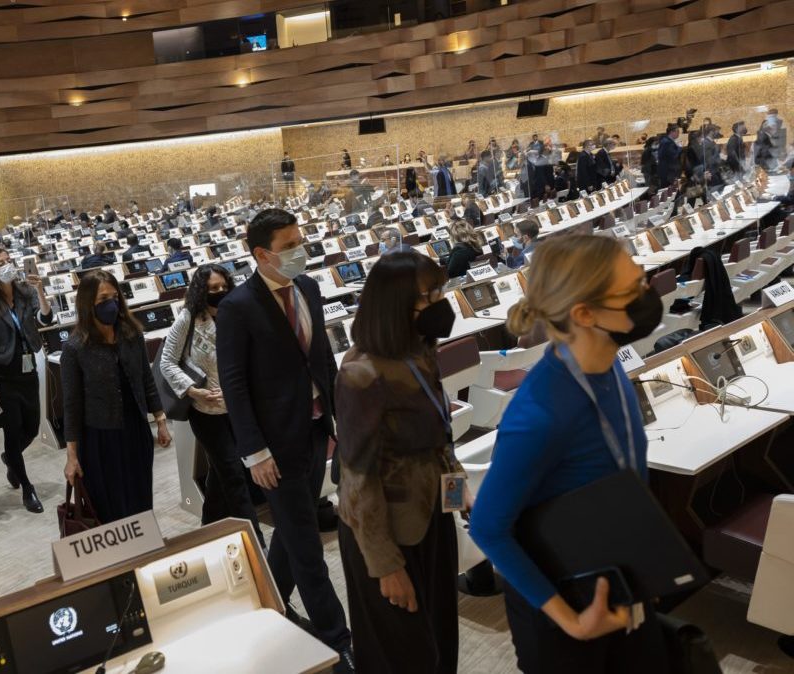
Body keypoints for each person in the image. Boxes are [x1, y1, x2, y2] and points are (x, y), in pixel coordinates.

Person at [469, 235, 667, 673]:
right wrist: (570, 621)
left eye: (643, 281)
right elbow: (487, 527)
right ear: (584, 314)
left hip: (619, 574)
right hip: (566, 605)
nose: (648, 295)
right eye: (633, 290)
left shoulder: (609, 361)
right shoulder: (539, 413)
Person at [216, 209, 354, 671]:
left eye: (301, 241)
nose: (301, 251)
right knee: (307, 544)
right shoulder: (238, 307)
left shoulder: (309, 288)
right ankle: (338, 639)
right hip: (274, 446)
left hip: (316, 431)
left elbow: (323, 359)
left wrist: (336, 420)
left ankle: (265, 605)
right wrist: (253, 451)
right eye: (289, 245)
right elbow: (234, 384)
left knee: (291, 535)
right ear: (261, 254)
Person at [336, 250, 464, 673]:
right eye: (429, 297)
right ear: (396, 306)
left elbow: (439, 441)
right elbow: (357, 479)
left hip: (431, 517)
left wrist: (461, 495)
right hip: (385, 532)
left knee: (440, 642)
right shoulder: (362, 374)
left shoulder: (420, 351)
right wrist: (386, 566)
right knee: (402, 656)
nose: (440, 304)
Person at [159, 264, 264, 541]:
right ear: (200, 292)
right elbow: (167, 363)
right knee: (234, 475)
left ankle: (208, 526)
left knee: (221, 473)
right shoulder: (189, 318)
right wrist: (193, 391)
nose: (219, 292)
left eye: (222, 287)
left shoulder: (237, 315)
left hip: (237, 408)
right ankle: (258, 542)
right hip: (206, 412)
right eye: (212, 289)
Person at [61, 270, 171, 521]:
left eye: (114, 297)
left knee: (140, 498)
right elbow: (72, 405)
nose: (111, 304)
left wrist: (161, 421)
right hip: (100, 439)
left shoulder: (132, 334)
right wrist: (71, 456)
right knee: (111, 506)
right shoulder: (75, 347)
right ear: (88, 304)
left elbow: (146, 379)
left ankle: (144, 548)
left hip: (136, 431)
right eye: (102, 300)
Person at [0, 248, 54, 513]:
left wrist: (41, 291)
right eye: (1, 263)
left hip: (28, 368)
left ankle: (11, 458)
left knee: (32, 427)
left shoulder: (25, 292)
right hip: (3, 374)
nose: (8, 265)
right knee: (12, 429)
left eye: (9, 261)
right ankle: (27, 489)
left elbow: (46, 317)